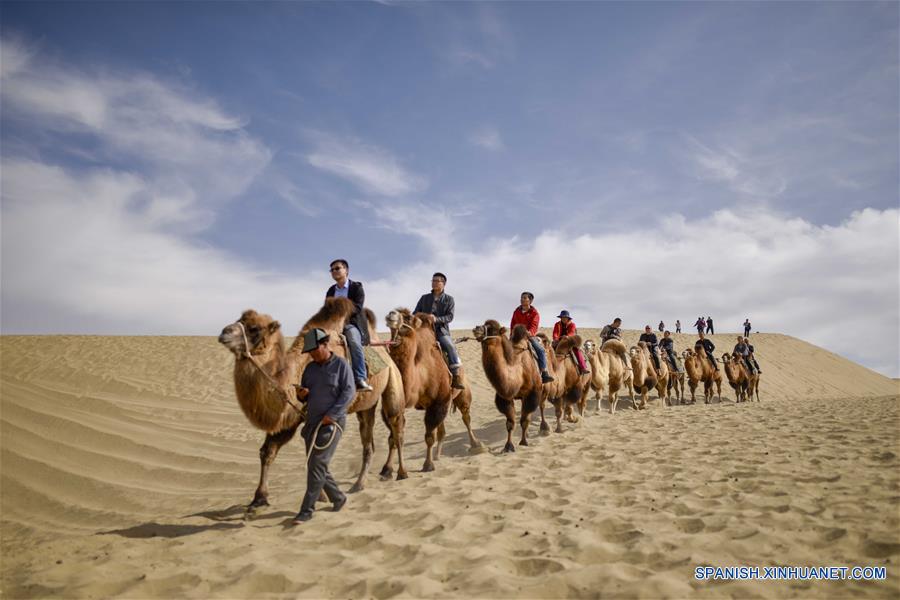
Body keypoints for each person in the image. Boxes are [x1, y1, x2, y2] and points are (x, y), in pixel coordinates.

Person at [291, 328, 352, 524]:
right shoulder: (310, 369)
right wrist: (302, 395)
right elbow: (307, 396)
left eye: (315, 350)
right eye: (310, 352)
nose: (313, 355)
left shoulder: (341, 366)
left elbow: (348, 393)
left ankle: (306, 510)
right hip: (312, 423)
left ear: (326, 345)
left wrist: (332, 415)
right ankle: (338, 498)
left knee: (316, 465)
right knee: (317, 465)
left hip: (332, 424)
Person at [325, 259, 372, 391]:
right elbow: (327, 309)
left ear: (346, 270)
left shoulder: (356, 287)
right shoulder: (330, 291)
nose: (334, 271)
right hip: (332, 324)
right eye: (332, 270)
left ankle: (360, 377)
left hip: (351, 323)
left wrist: (342, 316)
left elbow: (357, 307)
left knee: (353, 340)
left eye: (337, 268)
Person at [414, 272, 464, 389]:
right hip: (424, 330)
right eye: (433, 280)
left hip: (441, 330)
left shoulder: (449, 299)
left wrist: (436, 319)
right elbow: (415, 312)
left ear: (443, 283)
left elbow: (450, 317)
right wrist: (421, 318)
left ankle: (456, 375)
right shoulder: (424, 298)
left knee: (450, 346)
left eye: (437, 281)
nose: (434, 283)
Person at [510, 292, 555, 384]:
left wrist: (530, 333)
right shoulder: (516, 311)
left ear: (530, 301)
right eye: (521, 297)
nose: (522, 299)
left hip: (528, 336)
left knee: (541, 350)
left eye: (524, 298)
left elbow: (534, 325)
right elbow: (513, 323)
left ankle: (544, 372)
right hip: (516, 336)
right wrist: (512, 334)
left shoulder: (534, 313)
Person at [552, 310, 589, 375]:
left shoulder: (572, 324)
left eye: (565, 317)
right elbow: (555, 333)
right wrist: (556, 339)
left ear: (568, 318)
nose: (563, 319)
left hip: (570, 341)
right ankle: (550, 366)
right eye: (562, 317)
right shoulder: (557, 324)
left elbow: (572, 333)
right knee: (550, 349)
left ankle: (583, 367)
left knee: (576, 350)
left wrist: (567, 337)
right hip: (560, 341)